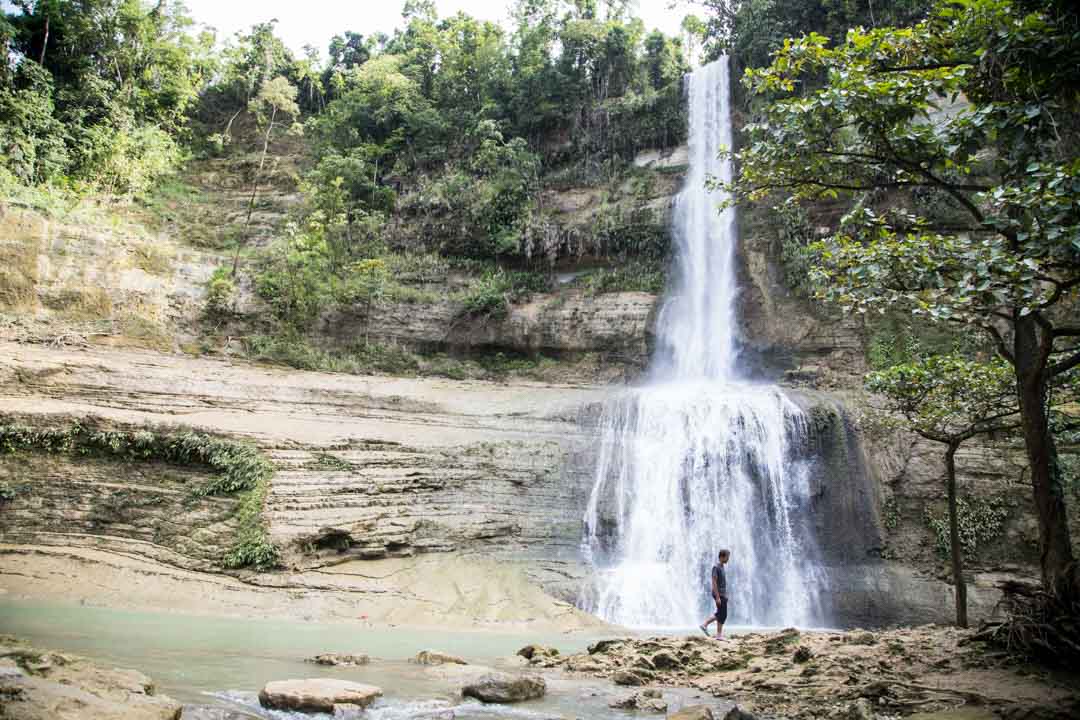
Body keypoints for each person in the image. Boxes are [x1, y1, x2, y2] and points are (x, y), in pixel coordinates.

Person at [700, 549, 730, 640]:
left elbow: (722, 583)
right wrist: (717, 597)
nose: (728, 559)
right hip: (718, 594)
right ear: (722, 557)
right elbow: (714, 582)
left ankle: (708, 627)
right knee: (722, 614)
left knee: (721, 613)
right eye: (727, 557)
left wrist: (725, 595)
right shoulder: (716, 567)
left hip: (722, 594)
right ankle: (711, 629)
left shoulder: (722, 567)